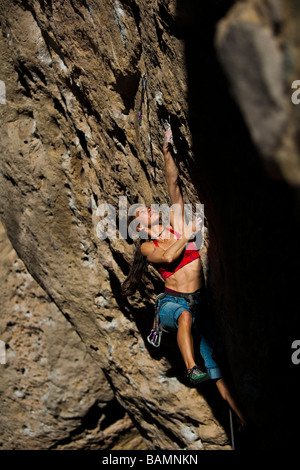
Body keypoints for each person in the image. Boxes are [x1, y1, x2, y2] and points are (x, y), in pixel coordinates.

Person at [121, 128, 246, 426]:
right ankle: (190, 368)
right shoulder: (148, 247)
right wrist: (188, 235)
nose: (150, 209)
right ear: (139, 228)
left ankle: (242, 422)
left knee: (217, 371)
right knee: (185, 319)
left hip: (198, 302)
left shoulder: (176, 223)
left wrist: (167, 151)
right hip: (171, 306)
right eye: (144, 212)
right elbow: (168, 258)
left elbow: (172, 182)